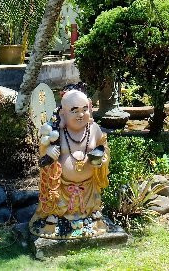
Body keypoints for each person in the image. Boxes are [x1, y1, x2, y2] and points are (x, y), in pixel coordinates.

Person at [30, 85, 109, 239]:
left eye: (84, 109)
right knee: (55, 205)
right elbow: (42, 156)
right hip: (61, 188)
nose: (81, 115)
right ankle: (53, 221)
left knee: (93, 207)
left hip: (88, 188)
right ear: (63, 113)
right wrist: (47, 151)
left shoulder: (94, 129)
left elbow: (103, 148)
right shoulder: (56, 132)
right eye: (74, 111)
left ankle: (90, 219)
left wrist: (102, 160)